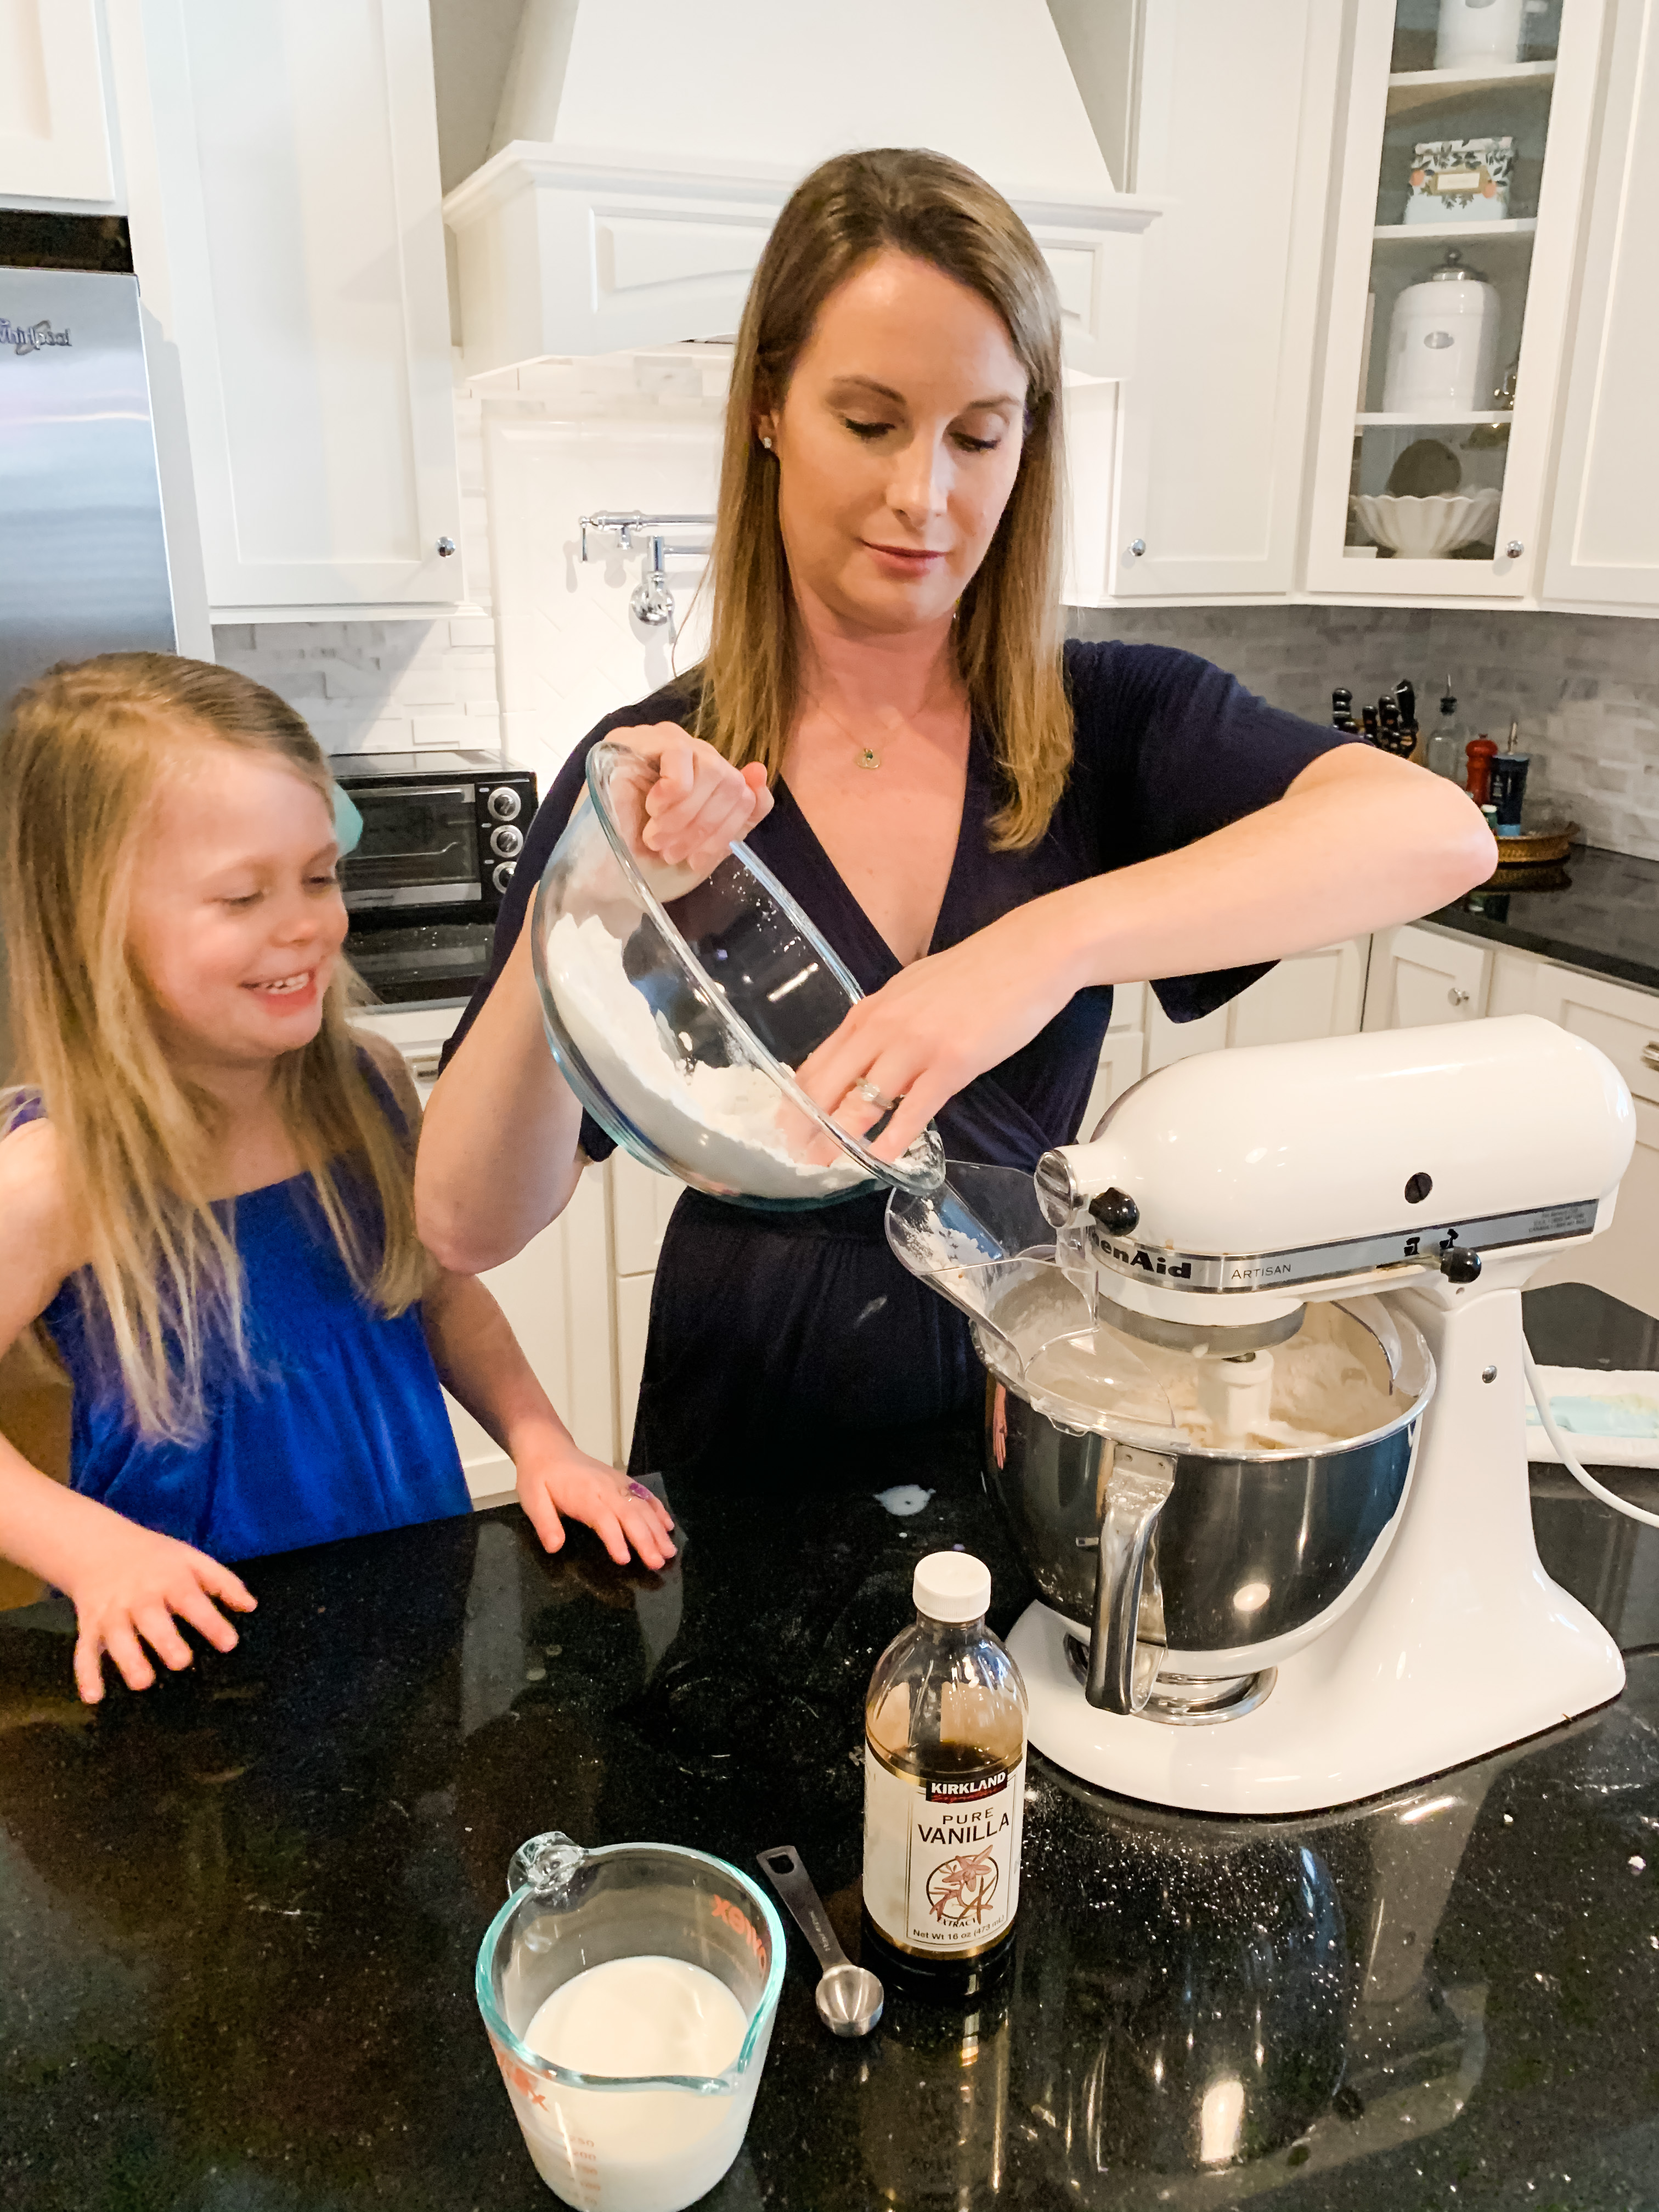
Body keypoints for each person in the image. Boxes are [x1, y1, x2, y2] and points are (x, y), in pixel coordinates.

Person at [416, 148, 1494, 1487]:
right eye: (869, 423)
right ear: (766, 411)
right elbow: (464, 1217)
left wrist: (1036, 948)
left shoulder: (1107, 721)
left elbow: (1437, 833)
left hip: (1032, 1400)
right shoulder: (661, 768)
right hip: (745, 1415)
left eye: (978, 435)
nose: (926, 495)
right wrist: (599, 876)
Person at [0, 654, 675, 1705]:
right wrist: (91, 1555)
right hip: (197, 1655)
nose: (308, 925)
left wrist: (544, 1443)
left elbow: (444, 1297)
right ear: (89, 923)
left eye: (320, 876)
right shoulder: (58, 1173)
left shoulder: (361, 1087)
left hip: (400, 1605)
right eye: (243, 895)